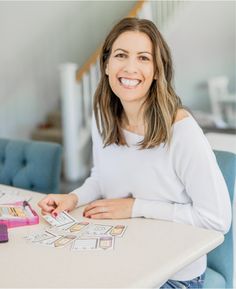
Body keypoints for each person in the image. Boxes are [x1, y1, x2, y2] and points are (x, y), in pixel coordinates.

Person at [38, 17, 231, 288]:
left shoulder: (182, 132)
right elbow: (101, 177)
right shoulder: (101, 117)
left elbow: (217, 220)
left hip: (174, 277)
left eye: (143, 58)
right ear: (106, 64)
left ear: (156, 71)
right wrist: (73, 197)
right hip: (120, 257)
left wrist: (136, 207)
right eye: (120, 55)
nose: (130, 67)